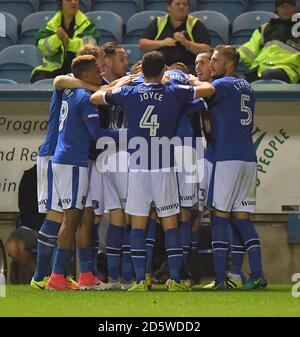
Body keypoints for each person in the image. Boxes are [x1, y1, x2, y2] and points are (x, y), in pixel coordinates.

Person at [91, 51, 215, 291]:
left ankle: (139, 281)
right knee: (171, 223)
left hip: (137, 166)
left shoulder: (129, 91)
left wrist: (122, 82)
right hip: (164, 165)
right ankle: (176, 280)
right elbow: (208, 90)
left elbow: (96, 97)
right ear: (163, 71)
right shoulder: (173, 91)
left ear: (142, 71)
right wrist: (189, 80)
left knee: (138, 224)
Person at [30, 45, 105, 291]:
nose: (101, 69)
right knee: (58, 215)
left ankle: (59, 274)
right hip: (54, 153)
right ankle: (45, 275)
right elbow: (58, 79)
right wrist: (95, 88)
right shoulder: (71, 83)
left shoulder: (79, 86)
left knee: (69, 214)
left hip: (63, 154)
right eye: (98, 63)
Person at [45, 55, 119, 291]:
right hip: (72, 161)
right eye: (97, 70)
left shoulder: (70, 91)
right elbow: (97, 134)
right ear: (85, 74)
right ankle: (56, 276)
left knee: (86, 215)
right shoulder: (84, 97)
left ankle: (86, 275)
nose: (101, 73)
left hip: (72, 160)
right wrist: (130, 134)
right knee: (71, 218)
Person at [206, 45, 267, 290]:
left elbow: (198, 92)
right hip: (248, 158)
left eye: (215, 59)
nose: (211, 64)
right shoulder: (247, 87)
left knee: (219, 216)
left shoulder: (221, 85)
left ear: (229, 63)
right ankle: (258, 275)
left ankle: (221, 281)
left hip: (227, 158)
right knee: (242, 218)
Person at [30, 0, 99, 83]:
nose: (73, 2)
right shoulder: (51, 25)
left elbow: (91, 47)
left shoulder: (87, 24)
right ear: (61, 3)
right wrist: (57, 39)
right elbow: (42, 47)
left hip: (79, 69)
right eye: (69, 0)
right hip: (53, 69)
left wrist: (69, 43)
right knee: (37, 77)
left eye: (76, 0)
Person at [139, 0, 210, 72]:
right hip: (160, 69)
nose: (181, 6)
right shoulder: (159, 22)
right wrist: (162, 43)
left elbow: (206, 49)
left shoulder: (195, 24)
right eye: (177, 4)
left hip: (187, 70)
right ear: (169, 7)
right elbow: (142, 44)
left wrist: (186, 43)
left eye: (185, 4)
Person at [239, 0, 300, 83]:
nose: (286, 9)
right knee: (239, 82)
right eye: (282, 6)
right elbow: (249, 50)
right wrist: (233, 55)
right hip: (261, 68)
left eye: (289, 6)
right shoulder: (265, 27)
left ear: (294, 8)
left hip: (288, 69)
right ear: (276, 9)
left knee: (268, 74)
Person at [6, 165, 45, 283]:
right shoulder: (30, 176)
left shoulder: (65, 174)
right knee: (13, 246)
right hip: (31, 229)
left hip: (58, 229)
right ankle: (39, 277)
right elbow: (26, 209)